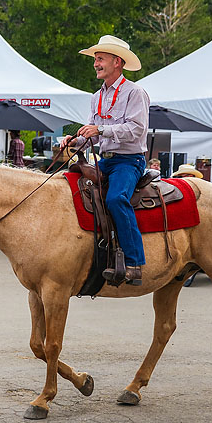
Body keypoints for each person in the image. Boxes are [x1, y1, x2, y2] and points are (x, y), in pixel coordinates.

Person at [60, 35, 149, 286]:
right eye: (96, 60)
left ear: (117, 62)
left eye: (100, 59)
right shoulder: (95, 97)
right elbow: (92, 133)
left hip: (128, 161)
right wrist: (74, 140)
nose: (96, 63)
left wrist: (99, 130)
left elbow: (136, 130)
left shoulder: (135, 92)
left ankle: (134, 262)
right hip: (104, 160)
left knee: (116, 198)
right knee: (67, 189)